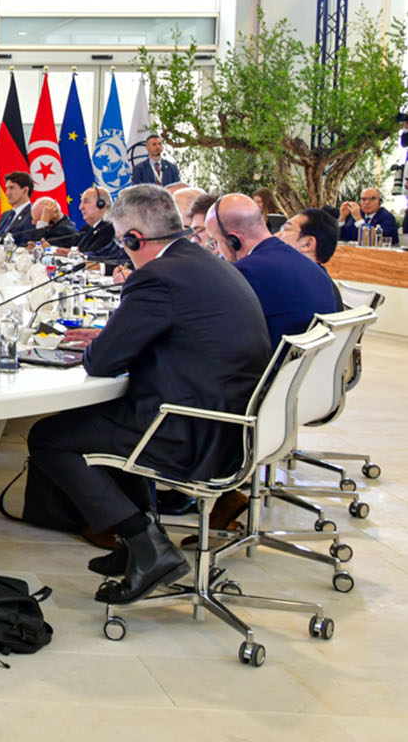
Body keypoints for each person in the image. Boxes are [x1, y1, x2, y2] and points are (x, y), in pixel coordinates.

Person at [27, 184, 271, 604]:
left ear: (136, 239)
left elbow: (101, 363)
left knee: (49, 438)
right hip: (230, 425)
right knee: (110, 417)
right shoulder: (201, 262)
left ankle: (147, 546)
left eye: (124, 243)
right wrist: (118, 333)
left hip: (190, 432)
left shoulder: (156, 277)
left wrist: (106, 339)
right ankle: (135, 541)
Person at [205, 193, 339, 349]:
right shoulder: (314, 269)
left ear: (233, 241)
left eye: (215, 242)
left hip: (273, 362)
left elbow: (218, 335)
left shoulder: (245, 272)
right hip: (311, 362)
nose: (217, 251)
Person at [279, 207, 344, 310]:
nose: (277, 236)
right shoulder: (321, 283)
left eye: (286, 229)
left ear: (308, 243)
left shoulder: (295, 288)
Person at [52, 186, 120, 258]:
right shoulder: (87, 228)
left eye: (86, 202)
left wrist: (72, 253)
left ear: (101, 204)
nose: (80, 207)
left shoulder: (109, 228)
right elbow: (75, 248)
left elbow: (93, 255)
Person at [0, 171, 37, 243]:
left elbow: (26, 243)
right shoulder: (5, 215)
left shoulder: (33, 215)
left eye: (11, 188)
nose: (7, 193)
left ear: (25, 190)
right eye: (6, 189)